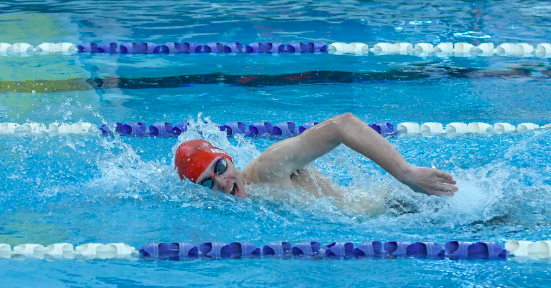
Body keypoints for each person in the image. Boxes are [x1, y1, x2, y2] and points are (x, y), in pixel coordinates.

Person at [174, 113, 457, 200]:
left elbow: (342, 125)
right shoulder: (249, 198)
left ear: (229, 158)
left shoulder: (268, 169)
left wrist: (407, 174)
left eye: (220, 167)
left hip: (401, 206)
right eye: (208, 183)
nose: (222, 182)